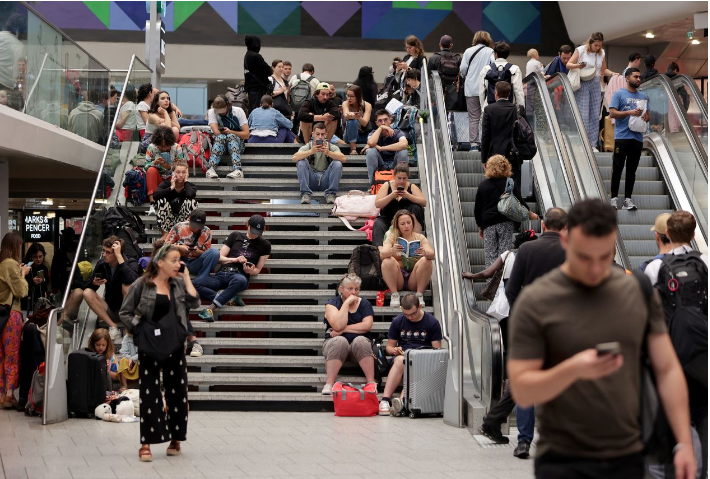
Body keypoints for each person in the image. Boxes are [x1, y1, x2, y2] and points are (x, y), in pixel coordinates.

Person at [507, 198, 696, 479]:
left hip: (628, 454)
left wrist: (683, 442)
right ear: (567, 240)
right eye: (585, 257)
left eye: (605, 256)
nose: (596, 269)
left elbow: (667, 368)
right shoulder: (537, 302)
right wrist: (573, 369)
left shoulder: (636, 290)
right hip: (563, 458)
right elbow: (522, 389)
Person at [476, 209, 568, 457]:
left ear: (544, 225)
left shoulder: (526, 250)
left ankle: (523, 441)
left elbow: (512, 289)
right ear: (565, 227)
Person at [119, 242, 197, 462]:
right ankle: (146, 443)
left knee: (177, 394)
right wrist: (139, 328)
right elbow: (124, 312)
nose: (178, 264)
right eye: (173, 260)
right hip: (149, 346)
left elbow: (195, 302)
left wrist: (187, 278)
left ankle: (176, 438)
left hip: (174, 345)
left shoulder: (178, 284)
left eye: (179, 260)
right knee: (149, 394)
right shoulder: (141, 285)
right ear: (160, 262)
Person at [644, 211, 708, 479]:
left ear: (666, 234)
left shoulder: (653, 268)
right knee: (702, 412)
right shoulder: (705, 262)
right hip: (702, 353)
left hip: (669, 353)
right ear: (694, 235)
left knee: (672, 411)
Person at [61, 236, 141, 344]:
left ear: (117, 253)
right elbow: (87, 287)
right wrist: (93, 283)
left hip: (127, 310)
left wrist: (119, 258)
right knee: (87, 292)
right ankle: (113, 327)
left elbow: (133, 281)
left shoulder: (131, 262)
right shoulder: (102, 264)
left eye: (108, 252)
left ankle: (128, 329)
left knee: (126, 285)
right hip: (110, 308)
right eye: (104, 251)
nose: (104, 254)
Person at [194, 215, 271, 322]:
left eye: (258, 232)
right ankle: (228, 299)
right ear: (247, 225)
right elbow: (219, 258)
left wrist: (251, 271)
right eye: (253, 230)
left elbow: (257, 269)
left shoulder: (266, 245)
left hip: (240, 276)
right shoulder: (235, 235)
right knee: (195, 283)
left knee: (240, 280)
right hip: (222, 274)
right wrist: (235, 260)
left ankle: (211, 308)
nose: (254, 234)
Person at [379, 292, 442, 416]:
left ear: (420, 307)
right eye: (406, 314)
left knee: (411, 363)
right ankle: (386, 400)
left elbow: (437, 351)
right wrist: (394, 350)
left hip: (423, 357)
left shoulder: (432, 322)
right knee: (401, 360)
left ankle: (402, 400)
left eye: (413, 313)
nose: (410, 317)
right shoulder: (398, 321)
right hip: (403, 356)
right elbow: (389, 347)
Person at [474, 155, 537, 271]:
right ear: (506, 167)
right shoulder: (510, 183)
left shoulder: (483, 185)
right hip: (505, 222)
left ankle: (491, 284)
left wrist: (480, 226)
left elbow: (477, 208)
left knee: (490, 255)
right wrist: (530, 213)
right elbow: (520, 201)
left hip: (488, 224)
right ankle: (502, 283)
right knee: (503, 255)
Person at [321, 273, 376, 395]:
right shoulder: (331, 304)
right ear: (341, 289)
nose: (354, 292)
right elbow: (337, 325)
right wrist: (346, 304)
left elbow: (367, 325)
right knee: (340, 341)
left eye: (356, 289)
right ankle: (329, 383)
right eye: (350, 289)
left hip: (359, 348)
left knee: (361, 340)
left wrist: (343, 331)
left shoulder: (365, 304)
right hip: (335, 347)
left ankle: (371, 383)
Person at [567, 32, 618, 150]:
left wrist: (612, 73)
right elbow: (568, 64)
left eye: (600, 45)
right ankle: (583, 143)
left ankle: (593, 144)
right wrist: (578, 66)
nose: (598, 47)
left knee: (595, 114)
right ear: (590, 43)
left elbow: (603, 69)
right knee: (584, 114)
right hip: (583, 82)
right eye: (596, 45)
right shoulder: (580, 50)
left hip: (595, 82)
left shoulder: (601, 53)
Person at [608, 68, 649, 211]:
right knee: (618, 168)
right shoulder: (619, 94)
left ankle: (627, 199)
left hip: (637, 138)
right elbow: (612, 113)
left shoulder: (643, 96)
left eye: (639, 77)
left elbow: (647, 115)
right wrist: (630, 112)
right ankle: (613, 198)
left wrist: (646, 117)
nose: (638, 79)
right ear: (627, 78)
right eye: (635, 77)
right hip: (622, 137)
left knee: (632, 170)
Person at [380, 210, 435, 307]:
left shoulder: (420, 237)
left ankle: (419, 295)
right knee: (387, 260)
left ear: (412, 223)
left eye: (409, 223)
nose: (406, 226)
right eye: (402, 224)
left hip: (414, 277)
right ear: (397, 225)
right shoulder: (392, 237)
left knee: (426, 260)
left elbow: (432, 254)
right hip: (397, 277)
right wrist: (392, 251)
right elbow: (382, 254)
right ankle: (394, 294)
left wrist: (425, 253)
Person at [0, 233, 29, 409]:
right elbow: (21, 291)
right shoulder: (10, 264)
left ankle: (2, 393)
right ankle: (10, 394)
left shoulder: (1, 263)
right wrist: (23, 274)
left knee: (1, 355)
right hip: (10, 315)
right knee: (12, 355)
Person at [481, 82, 523, 194]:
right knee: (514, 185)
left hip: (495, 153)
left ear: (496, 93)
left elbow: (485, 135)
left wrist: (484, 159)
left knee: (495, 184)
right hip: (513, 153)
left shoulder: (489, 109)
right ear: (509, 94)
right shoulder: (516, 109)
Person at [373, 161, 426, 247]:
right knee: (378, 223)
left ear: (408, 177)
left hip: (406, 222)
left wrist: (409, 196)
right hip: (389, 219)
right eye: (399, 178)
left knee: (416, 208)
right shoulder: (387, 185)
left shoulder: (411, 187)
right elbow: (377, 204)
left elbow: (424, 202)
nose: (401, 181)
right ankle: (379, 250)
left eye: (404, 178)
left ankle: (415, 242)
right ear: (394, 176)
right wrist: (391, 196)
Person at [292, 122, 346, 205]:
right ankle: (305, 193)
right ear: (313, 134)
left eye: (322, 134)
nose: (320, 137)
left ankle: (331, 193)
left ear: (326, 135)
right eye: (317, 134)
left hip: (325, 179)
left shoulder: (331, 146)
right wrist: (311, 151)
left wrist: (328, 153)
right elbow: (295, 158)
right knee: (301, 162)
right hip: (312, 179)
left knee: (337, 163)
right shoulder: (309, 146)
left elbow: (343, 158)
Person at [459, 31, 495, 150]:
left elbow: (463, 69)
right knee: (487, 117)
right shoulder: (491, 52)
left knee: (473, 117)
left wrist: (466, 76)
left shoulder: (468, 51)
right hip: (486, 89)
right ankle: (487, 144)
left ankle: (474, 145)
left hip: (471, 88)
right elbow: (493, 66)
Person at [165, 208, 219, 282]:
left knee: (215, 252)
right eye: (194, 225)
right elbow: (165, 246)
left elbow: (207, 253)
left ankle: (202, 278)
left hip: (196, 262)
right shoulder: (178, 227)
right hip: (179, 261)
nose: (196, 228)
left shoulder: (206, 231)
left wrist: (197, 252)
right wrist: (179, 247)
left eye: (199, 226)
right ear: (189, 219)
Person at [206, 94, 250, 180]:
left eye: (223, 110)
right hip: (221, 144)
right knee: (221, 137)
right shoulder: (212, 112)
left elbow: (246, 134)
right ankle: (211, 168)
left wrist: (230, 131)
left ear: (228, 106)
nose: (221, 113)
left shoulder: (238, 111)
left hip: (237, 144)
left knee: (231, 136)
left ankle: (237, 170)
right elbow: (216, 132)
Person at [153, 158, 198, 238]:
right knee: (160, 200)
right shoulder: (166, 184)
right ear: (173, 173)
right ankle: (165, 234)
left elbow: (191, 195)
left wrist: (186, 181)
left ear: (187, 173)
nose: (181, 175)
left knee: (192, 201)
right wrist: (171, 187)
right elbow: (155, 196)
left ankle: (187, 231)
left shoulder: (190, 186)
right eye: (178, 172)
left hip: (183, 220)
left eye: (184, 172)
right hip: (168, 220)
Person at [144, 126, 188, 205]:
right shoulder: (151, 147)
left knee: (179, 174)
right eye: (161, 146)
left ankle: (174, 200)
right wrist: (153, 163)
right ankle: (153, 202)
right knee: (151, 170)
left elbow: (182, 167)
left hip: (171, 178)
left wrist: (169, 167)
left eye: (166, 146)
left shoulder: (177, 148)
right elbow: (146, 166)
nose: (163, 148)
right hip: (158, 178)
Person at [364, 110, 410, 185]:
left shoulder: (397, 132)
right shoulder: (373, 133)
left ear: (390, 121)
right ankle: (372, 184)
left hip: (395, 163)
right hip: (380, 163)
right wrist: (381, 128)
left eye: (385, 120)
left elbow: (404, 144)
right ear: (376, 123)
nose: (383, 122)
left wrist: (382, 148)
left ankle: (402, 184)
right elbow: (371, 142)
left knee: (403, 152)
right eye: (380, 121)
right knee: (370, 151)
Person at [479, 41, 525, 112]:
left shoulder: (486, 69)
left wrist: (483, 109)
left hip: (490, 108)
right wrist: (521, 110)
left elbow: (481, 92)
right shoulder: (515, 69)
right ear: (507, 54)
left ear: (495, 54)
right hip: (508, 109)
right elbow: (518, 92)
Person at [429, 35, 462, 110]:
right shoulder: (458, 58)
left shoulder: (434, 58)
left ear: (440, 44)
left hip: (437, 91)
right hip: (453, 92)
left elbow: (428, 75)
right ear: (451, 45)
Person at [243, 35, 272, 113]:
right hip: (257, 89)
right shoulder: (255, 56)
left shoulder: (247, 55)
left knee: (253, 110)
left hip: (251, 89)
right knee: (258, 110)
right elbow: (268, 70)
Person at [342, 85, 373, 155]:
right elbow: (346, 115)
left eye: (352, 96)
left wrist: (358, 117)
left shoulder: (367, 105)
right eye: (347, 95)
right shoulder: (345, 103)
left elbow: (365, 123)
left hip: (364, 135)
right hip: (349, 136)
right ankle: (353, 149)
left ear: (358, 96)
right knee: (352, 121)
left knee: (354, 119)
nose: (349, 98)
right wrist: (351, 116)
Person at [22, 243, 50, 314]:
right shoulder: (26, 267)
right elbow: (21, 283)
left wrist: (43, 280)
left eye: (40, 256)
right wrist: (32, 282)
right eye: (35, 257)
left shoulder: (44, 268)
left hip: (40, 302)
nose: (38, 259)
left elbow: (46, 284)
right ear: (31, 257)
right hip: (27, 303)